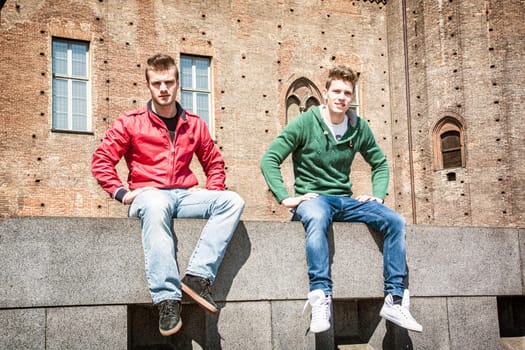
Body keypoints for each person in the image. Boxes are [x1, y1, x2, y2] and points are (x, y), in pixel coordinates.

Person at [260, 65, 422, 334]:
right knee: (318, 216)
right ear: (325, 93)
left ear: (352, 97)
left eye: (347, 93)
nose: (342, 97)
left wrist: (378, 196)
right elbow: (270, 159)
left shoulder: (358, 127)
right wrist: (286, 197)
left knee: (394, 220)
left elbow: (380, 164)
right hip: (315, 199)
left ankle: (394, 299)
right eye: (336, 91)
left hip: (345, 200)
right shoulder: (305, 122)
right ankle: (320, 296)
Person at [91, 54, 244, 336]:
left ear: (178, 84)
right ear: (149, 86)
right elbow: (102, 160)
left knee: (232, 201)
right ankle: (167, 299)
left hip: (184, 195)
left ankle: (198, 276)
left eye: (169, 82)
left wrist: (211, 193)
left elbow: (214, 163)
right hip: (147, 195)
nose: (163, 89)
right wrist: (123, 194)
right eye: (157, 83)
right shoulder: (131, 123)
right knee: (157, 202)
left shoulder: (195, 124)